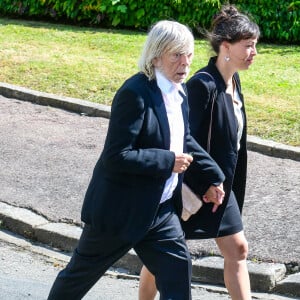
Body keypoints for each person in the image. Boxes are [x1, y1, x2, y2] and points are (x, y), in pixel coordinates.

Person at [47, 20, 225, 300]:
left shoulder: (180, 92)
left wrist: (211, 177)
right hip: (119, 211)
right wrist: (167, 161)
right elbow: (117, 156)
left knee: (178, 273)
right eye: (176, 55)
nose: (185, 63)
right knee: (77, 279)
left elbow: (184, 141)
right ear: (156, 56)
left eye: (189, 54)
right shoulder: (135, 93)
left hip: (160, 211)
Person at [139, 5, 260, 300]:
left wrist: (219, 182)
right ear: (226, 47)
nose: (254, 52)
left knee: (237, 249)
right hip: (193, 184)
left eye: (255, 46)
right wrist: (206, 181)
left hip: (221, 186)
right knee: (163, 252)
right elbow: (183, 138)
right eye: (248, 46)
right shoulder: (202, 85)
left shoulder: (233, 82)